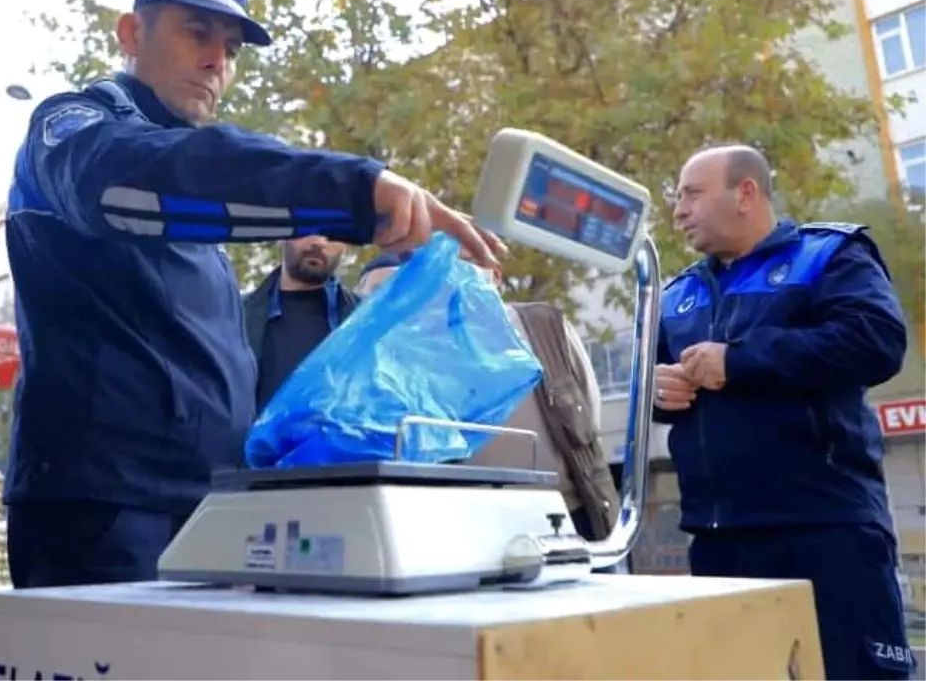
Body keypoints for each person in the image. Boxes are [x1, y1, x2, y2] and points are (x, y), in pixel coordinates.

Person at [2, 0, 506, 589]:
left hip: (209, 507)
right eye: (196, 33)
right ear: (132, 34)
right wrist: (357, 190)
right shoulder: (72, 129)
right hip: (102, 509)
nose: (218, 61)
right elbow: (133, 179)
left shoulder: (192, 208)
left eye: (232, 47)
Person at [655, 144, 913, 680]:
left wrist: (740, 360)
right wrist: (657, 393)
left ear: (746, 193)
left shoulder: (829, 255)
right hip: (718, 540)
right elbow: (655, 387)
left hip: (825, 529)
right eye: (677, 197)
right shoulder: (675, 295)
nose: (678, 210)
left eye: (692, 194)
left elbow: (877, 342)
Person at [355, 251, 621, 548]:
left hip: (570, 511)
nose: (460, 270)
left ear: (495, 273)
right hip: (479, 522)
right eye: (451, 258)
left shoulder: (543, 324)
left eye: (471, 258)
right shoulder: (424, 341)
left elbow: (588, 407)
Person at [243, 236, 360, 413]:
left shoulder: (365, 320)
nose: (320, 242)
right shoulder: (234, 316)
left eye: (334, 233)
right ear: (284, 233)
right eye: (309, 227)